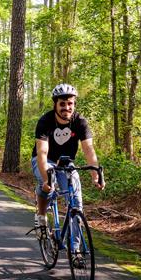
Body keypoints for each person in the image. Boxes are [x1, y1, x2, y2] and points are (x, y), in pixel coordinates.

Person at [32, 83, 103, 230]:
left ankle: (75, 250)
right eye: (62, 104)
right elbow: (42, 153)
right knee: (48, 187)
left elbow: (88, 149)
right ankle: (41, 214)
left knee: (76, 203)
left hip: (66, 163)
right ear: (55, 105)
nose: (66, 107)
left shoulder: (80, 122)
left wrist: (96, 175)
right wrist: (46, 179)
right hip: (45, 160)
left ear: (74, 104)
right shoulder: (45, 121)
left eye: (70, 103)